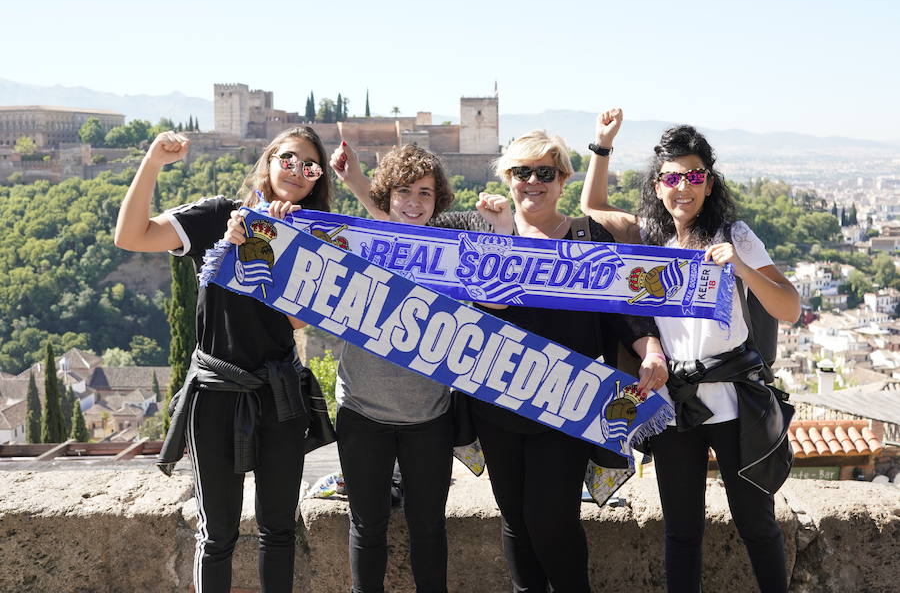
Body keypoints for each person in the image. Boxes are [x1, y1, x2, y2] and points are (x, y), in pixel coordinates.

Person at [335, 134, 668, 593]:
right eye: (521, 173)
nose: (533, 182)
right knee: (513, 519)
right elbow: (403, 231)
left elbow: (626, 308)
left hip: (567, 402)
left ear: (563, 179)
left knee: (551, 520)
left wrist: (650, 349)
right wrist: (355, 181)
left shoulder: (590, 237)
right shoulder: (478, 231)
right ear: (508, 180)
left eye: (545, 173)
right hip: (497, 403)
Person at [580, 112, 801, 593]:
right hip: (674, 400)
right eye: (673, 177)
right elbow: (592, 206)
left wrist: (740, 267)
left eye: (694, 176)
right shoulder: (646, 236)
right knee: (681, 531)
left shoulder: (734, 234)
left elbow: (789, 307)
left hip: (734, 399)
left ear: (709, 182)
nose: (684, 187)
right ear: (658, 185)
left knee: (756, 523)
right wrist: (601, 145)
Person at [115, 126, 333, 593]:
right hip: (216, 395)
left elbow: (296, 323)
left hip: (279, 394)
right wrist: (152, 162)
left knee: (279, 532)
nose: (298, 171)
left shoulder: (318, 239)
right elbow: (131, 236)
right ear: (270, 161)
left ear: (317, 180)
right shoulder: (218, 216)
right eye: (289, 159)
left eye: (310, 167)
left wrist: (281, 244)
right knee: (217, 535)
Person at [329, 142, 511, 593]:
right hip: (361, 413)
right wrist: (353, 181)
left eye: (426, 193)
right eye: (404, 191)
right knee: (366, 526)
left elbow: (497, 295)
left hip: (428, 417)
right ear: (386, 195)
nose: (414, 202)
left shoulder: (455, 252)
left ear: (438, 201)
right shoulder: (364, 242)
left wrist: (504, 227)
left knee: (429, 528)